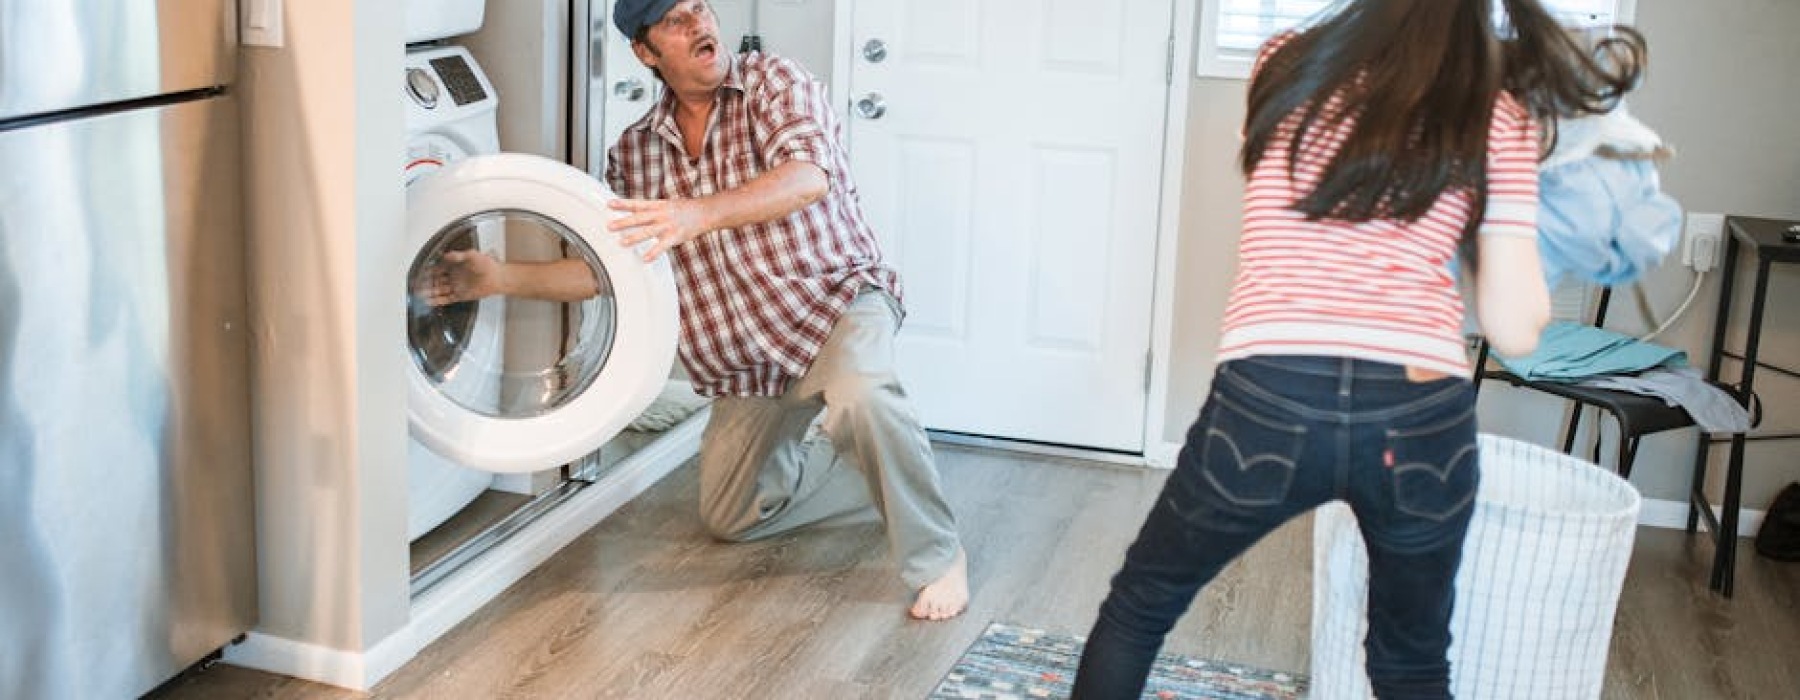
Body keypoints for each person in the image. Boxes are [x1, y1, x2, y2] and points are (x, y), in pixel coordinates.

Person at [1070, 1, 1643, 697]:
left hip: (1270, 394)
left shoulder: (1284, 62)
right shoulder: (1498, 109)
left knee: (1139, 608)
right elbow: (1514, 329)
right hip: (1420, 413)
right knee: (1411, 663)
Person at [422, 0, 968, 620]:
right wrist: (498, 278)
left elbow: (808, 176)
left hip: (835, 307)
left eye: (699, 8)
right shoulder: (633, 156)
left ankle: (937, 555)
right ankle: (890, 473)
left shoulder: (774, 83)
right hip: (748, 364)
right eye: (675, 21)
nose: (700, 24)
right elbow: (610, 274)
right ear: (646, 52)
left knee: (865, 392)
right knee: (731, 517)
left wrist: (695, 212)